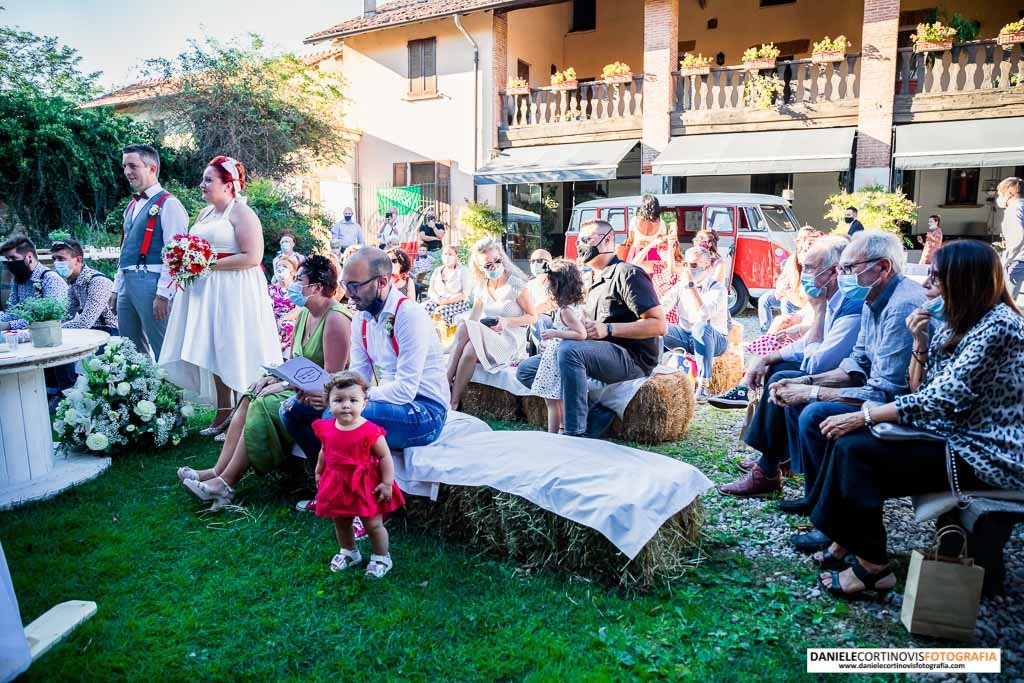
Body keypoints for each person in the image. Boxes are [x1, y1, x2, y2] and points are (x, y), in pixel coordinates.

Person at [809, 241, 1024, 599]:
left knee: (858, 450)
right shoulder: (959, 321)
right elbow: (920, 387)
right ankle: (847, 542)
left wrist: (864, 416)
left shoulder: (1000, 326)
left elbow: (940, 399)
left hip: (985, 452)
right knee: (847, 443)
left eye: (936, 278)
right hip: (953, 436)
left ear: (964, 281)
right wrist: (920, 342)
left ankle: (873, 565)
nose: (927, 285)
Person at [766, 230, 926, 552]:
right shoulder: (870, 297)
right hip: (879, 394)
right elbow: (855, 363)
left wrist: (812, 394)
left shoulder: (901, 305)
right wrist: (807, 384)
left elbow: (888, 391)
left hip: (902, 407)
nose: (843, 276)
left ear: (883, 267)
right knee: (800, 400)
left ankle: (833, 524)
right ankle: (818, 501)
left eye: (849, 269)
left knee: (814, 413)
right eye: (841, 268)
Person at [178, 256, 352, 506]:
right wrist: (272, 377)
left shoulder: (336, 318)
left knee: (264, 404)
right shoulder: (305, 314)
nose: (293, 285)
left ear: (317, 287)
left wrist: (282, 385)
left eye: (299, 281)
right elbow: (295, 362)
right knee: (251, 396)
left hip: (322, 396)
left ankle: (226, 484)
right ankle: (217, 472)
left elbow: (330, 378)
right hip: (298, 387)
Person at [714, 237, 863, 496]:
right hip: (832, 371)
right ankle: (774, 462)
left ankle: (768, 469)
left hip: (846, 379)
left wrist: (817, 312)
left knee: (781, 377)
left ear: (832, 272)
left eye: (810, 268)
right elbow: (807, 345)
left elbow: (820, 360)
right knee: (776, 367)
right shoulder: (835, 300)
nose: (803, 275)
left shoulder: (851, 307)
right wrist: (765, 358)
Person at [160, 156, 282, 436]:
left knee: (233, 344)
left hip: (235, 289)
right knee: (213, 347)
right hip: (206, 291)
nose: (202, 184)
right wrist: (185, 261)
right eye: (203, 179)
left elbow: (253, 257)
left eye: (208, 180)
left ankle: (243, 412)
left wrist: (206, 264)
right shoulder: (205, 214)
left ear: (229, 185)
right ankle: (223, 410)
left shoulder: (241, 213)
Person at [284, 247, 449, 455]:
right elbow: (358, 375)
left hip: (425, 410)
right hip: (388, 401)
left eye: (355, 286)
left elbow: (406, 389)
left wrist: (344, 397)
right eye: (345, 284)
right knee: (291, 411)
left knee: (335, 415)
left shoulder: (409, 316)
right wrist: (328, 392)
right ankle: (326, 479)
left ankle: (342, 482)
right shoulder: (362, 317)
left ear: (381, 282)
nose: (349, 293)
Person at [517, 220, 667, 437]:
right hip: (593, 351)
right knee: (527, 370)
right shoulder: (588, 278)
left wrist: (609, 329)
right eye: (580, 240)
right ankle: (596, 411)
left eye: (588, 240)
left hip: (630, 357)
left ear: (608, 240)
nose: (581, 245)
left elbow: (659, 325)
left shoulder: (627, 274)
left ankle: (575, 431)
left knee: (569, 351)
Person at [312, 371, 403, 578]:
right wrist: (319, 471)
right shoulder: (327, 428)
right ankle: (349, 551)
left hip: (365, 484)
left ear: (364, 403)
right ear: (328, 403)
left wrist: (387, 483)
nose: (346, 405)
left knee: (372, 523)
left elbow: (385, 457)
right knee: (341, 521)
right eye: (339, 400)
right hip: (337, 483)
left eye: (353, 400)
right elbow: (325, 450)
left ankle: (381, 557)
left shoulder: (370, 431)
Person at [112, 143, 189, 360]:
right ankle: (143, 391)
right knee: (130, 348)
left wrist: (164, 293)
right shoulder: (131, 206)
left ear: (152, 168)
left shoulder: (169, 204)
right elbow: (125, 250)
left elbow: (175, 254)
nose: (127, 172)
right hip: (128, 281)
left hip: (152, 282)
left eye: (133, 166)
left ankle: (173, 392)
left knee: (163, 346)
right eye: (125, 166)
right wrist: (116, 288)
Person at [447, 237, 536, 409]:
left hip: (509, 341)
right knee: (469, 347)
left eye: (497, 260)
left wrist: (507, 321)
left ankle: (443, 387)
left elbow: (533, 316)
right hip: (488, 337)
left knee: (466, 331)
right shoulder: (482, 286)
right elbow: (473, 318)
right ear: (479, 268)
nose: (494, 266)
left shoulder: (515, 284)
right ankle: (453, 401)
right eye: (488, 265)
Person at [660, 246, 730, 402]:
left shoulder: (718, 288)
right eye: (686, 265)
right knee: (657, 325)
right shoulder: (680, 286)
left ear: (706, 267)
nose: (688, 269)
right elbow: (662, 306)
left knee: (701, 327)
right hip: (685, 335)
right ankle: (654, 376)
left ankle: (704, 385)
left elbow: (703, 315)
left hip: (714, 339)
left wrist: (691, 287)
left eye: (693, 265)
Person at [530, 260, 587, 433]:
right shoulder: (576, 306)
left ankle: (552, 435)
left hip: (556, 358)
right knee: (556, 399)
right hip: (557, 354)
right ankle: (560, 430)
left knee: (551, 401)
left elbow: (581, 334)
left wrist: (555, 334)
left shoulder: (565, 311)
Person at [757, 226, 821, 333]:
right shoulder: (793, 258)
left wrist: (788, 293)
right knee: (764, 299)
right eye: (798, 238)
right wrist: (780, 288)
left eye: (802, 238)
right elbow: (782, 278)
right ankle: (765, 332)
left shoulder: (815, 259)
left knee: (786, 301)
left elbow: (805, 298)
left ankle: (787, 332)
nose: (798, 241)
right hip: (789, 291)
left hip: (802, 297)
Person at [0, 235, 69, 331]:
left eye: (13, 258)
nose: (10, 263)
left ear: (29, 257)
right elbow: (12, 312)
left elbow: (48, 319)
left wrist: (8, 325)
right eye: (8, 259)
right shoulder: (18, 280)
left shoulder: (50, 279)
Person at [51, 239, 118, 334]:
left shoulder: (98, 282)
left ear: (78, 260)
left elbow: (84, 322)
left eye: (61, 259)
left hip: (109, 334)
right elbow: (66, 315)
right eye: (54, 259)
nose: (56, 263)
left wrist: (53, 330)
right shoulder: (74, 283)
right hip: (90, 332)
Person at [424, 246, 472, 327]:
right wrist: (437, 299)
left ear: (456, 256)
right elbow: (431, 290)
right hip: (439, 300)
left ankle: (440, 337)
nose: (447, 256)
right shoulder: (437, 270)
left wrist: (446, 302)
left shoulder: (463, 270)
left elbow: (465, 293)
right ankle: (425, 333)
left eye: (450, 254)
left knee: (439, 312)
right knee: (424, 308)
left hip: (458, 302)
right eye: (445, 254)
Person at [998, 177, 1024, 307]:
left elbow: (1018, 237)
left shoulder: (1014, 208)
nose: (999, 198)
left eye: (1000, 194)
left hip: (1017, 260)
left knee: (1007, 303)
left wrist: (1006, 260)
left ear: (1008, 193)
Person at [624, 194, 665, 273]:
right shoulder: (661, 223)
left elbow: (631, 239)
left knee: (633, 276)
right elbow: (662, 242)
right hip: (653, 253)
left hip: (636, 253)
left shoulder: (635, 220)